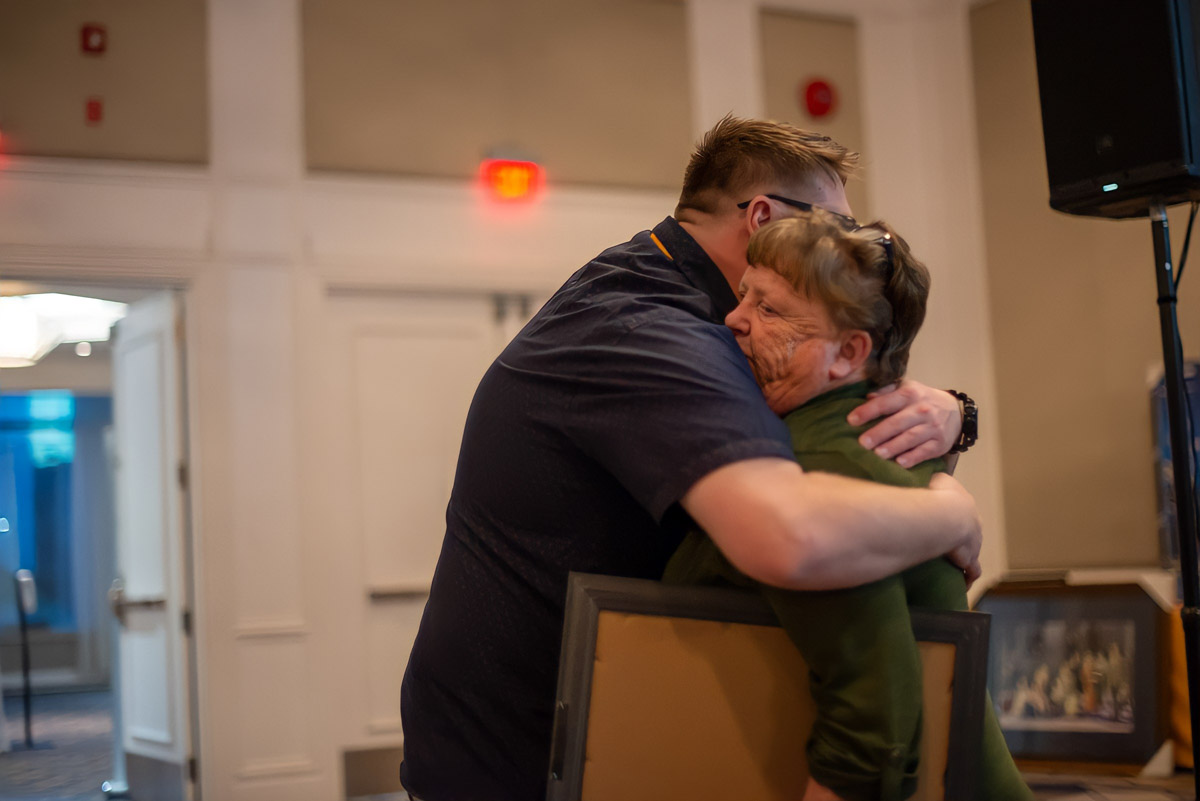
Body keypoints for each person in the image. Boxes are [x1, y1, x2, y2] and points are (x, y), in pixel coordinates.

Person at [399, 116, 983, 801]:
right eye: (832, 226)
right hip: (518, 762)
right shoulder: (652, 327)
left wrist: (954, 413)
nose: (842, 249)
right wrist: (951, 513)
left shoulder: (663, 292)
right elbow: (790, 537)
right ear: (764, 219)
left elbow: (830, 419)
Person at [663, 211, 1031, 801]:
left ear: (846, 353)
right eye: (744, 295)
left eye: (769, 309)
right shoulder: (849, 441)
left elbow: (872, 731)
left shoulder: (823, 463)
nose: (734, 318)